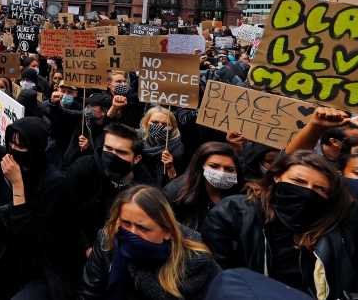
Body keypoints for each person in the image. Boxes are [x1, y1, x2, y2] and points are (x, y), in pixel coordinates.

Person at [202, 109, 358, 300]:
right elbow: (219, 278)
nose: (307, 190)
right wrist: (315, 126)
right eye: (298, 181)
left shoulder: (345, 222)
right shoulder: (234, 214)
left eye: (320, 188)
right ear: (277, 177)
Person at [0, 85, 83, 299]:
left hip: (36, 265)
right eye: (11, 143)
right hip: (2, 253)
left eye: (21, 146)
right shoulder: (7, 158)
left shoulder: (55, 183)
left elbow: (33, 239)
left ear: (36, 149)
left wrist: (17, 186)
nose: (13, 150)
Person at [79, 186, 221, 299]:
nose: (131, 233)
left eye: (142, 228)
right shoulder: (109, 240)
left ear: (166, 232)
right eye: (126, 223)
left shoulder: (195, 259)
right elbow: (88, 292)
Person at [67, 123, 155, 256]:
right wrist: (86, 247)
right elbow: (68, 211)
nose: (112, 156)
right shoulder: (83, 168)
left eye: (121, 152)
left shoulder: (145, 186)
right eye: (108, 148)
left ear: (136, 159)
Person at [164, 142, 245, 231]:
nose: (222, 173)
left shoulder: (242, 195)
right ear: (201, 166)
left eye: (229, 169)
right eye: (214, 166)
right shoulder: (177, 192)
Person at [136, 107, 184, 186]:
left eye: (165, 124)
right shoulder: (136, 146)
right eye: (155, 122)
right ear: (147, 125)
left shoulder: (180, 152)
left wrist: (170, 168)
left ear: (173, 128)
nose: (160, 126)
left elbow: (178, 186)